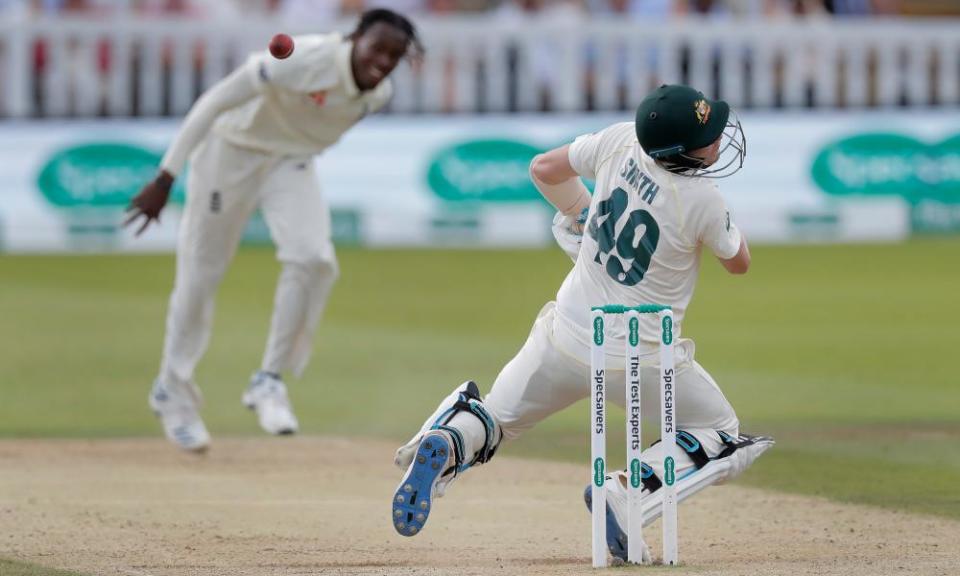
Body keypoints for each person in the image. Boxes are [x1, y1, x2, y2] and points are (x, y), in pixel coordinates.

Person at [390, 84, 774, 562]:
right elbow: (739, 263)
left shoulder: (620, 142)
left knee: (498, 421)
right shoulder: (703, 199)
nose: (718, 138)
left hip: (567, 333)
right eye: (709, 135)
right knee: (721, 431)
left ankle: (448, 440)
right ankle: (625, 492)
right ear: (682, 150)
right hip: (642, 358)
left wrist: (580, 212)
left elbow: (543, 169)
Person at [125, 8, 422, 452]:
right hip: (230, 153)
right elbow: (214, 102)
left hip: (290, 162)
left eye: (394, 56)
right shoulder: (300, 58)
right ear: (355, 37)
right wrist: (167, 177)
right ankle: (172, 391)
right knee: (200, 278)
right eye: (377, 48)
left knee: (314, 259)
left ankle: (268, 379)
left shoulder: (378, 95)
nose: (382, 62)